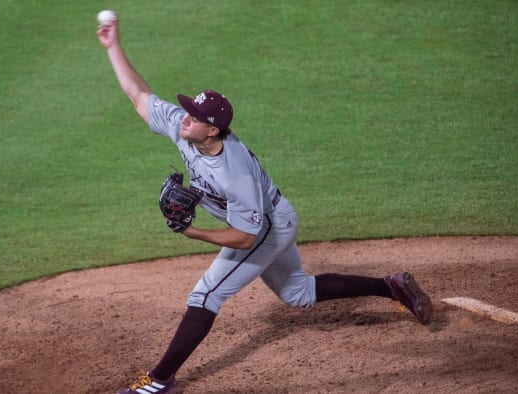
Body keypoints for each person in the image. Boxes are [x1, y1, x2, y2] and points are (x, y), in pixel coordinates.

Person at [97, 17, 433, 394]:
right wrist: (113, 47)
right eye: (188, 110)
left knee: (206, 295)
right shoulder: (185, 129)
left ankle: (159, 381)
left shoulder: (233, 174)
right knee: (298, 293)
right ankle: (391, 286)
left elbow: (244, 237)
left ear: (213, 131)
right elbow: (139, 96)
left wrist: (192, 231)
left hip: (266, 227)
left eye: (196, 116)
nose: (186, 116)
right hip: (271, 217)